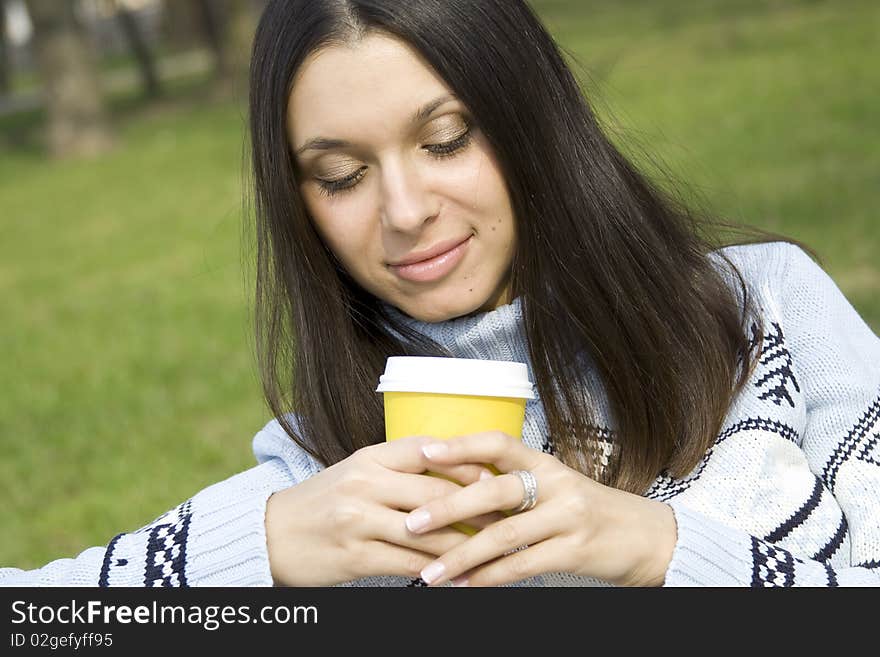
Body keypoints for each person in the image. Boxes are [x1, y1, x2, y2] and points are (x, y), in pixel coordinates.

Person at [3, 0, 878, 588]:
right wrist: (262, 543)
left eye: (447, 139)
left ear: (531, 120)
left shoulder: (765, 308)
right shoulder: (328, 468)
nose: (407, 211)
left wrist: (659, 545)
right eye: (341, 176)